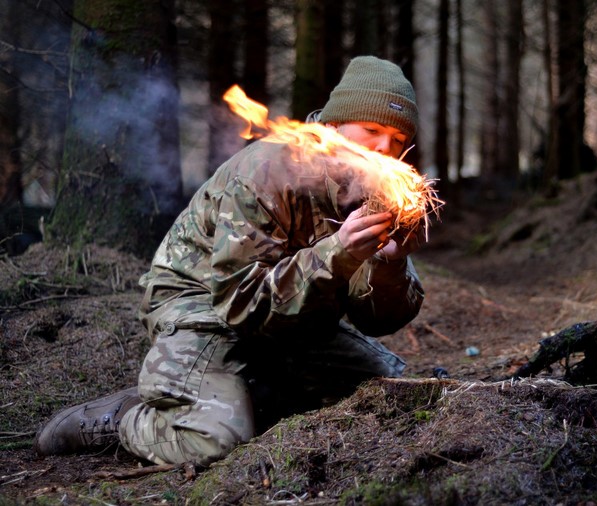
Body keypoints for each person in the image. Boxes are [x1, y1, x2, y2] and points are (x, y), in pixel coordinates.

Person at [34, 56, 425, 466]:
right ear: (332, 126)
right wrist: (338, 253)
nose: (385, 149)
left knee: (386, 392)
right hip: (200, 302)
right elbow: (240, 304)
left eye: (398, 139)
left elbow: (379, 320)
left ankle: (238, 392)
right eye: (372, 130)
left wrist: (388, 264)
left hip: (289, 318)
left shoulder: (380, 191)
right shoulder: (268, 171)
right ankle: (122, 418)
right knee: (215, 439)